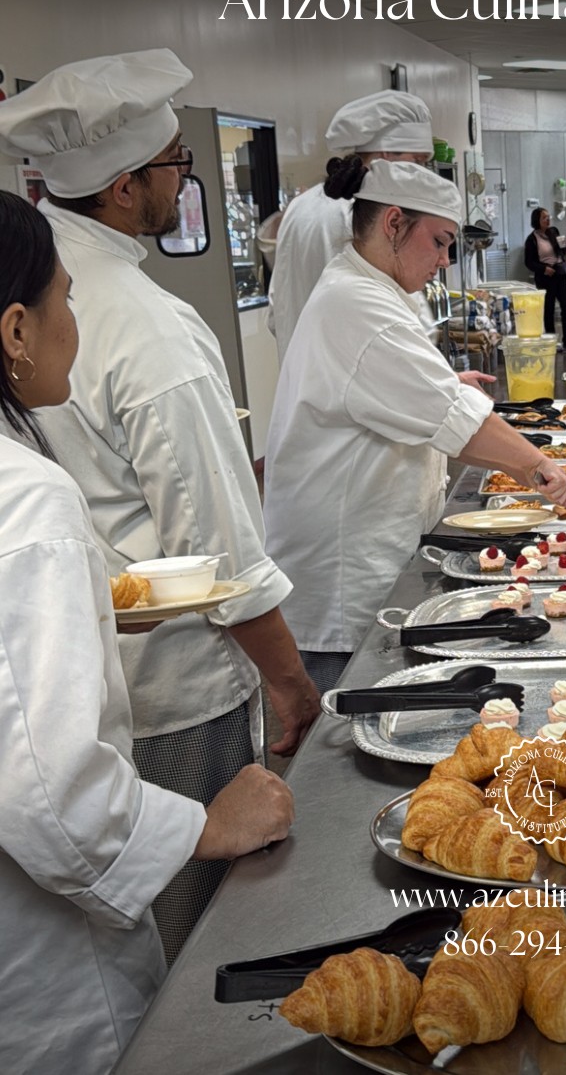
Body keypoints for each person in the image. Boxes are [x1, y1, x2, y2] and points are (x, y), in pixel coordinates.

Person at [0, 49, 319, 964]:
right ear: (127, 183)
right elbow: (220, 548)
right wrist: (294, 688)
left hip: (92, 702)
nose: (187, 184)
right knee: (199, 950)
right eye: (179, 164)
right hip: (173, 703)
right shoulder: (145, 323)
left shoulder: (49, 280)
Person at [263, 159, 566, 692]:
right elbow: (457, 423)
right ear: (392, 224)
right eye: (439, 241)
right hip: (346, 581)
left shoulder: (368, 288)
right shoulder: (359, 303)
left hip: (359, 553)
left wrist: (443, 380)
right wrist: (539, 465)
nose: (445, 260)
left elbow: (384, 385)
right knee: (345, 739)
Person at [268, 89, 434, 363]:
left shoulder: (299, 207)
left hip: (301, 385)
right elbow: (410, 325)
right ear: (387, 154)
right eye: (417, 161)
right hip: (361, 391)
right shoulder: (375, 218)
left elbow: (276, 311)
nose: (422, 174)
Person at [524, 207, 566, 352]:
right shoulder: (532, 239)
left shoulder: (553, 232)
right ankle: (551, 341)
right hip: (546, 276)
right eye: (544, 218)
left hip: (559, 273)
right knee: (548, 310)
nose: (548, 220)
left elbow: (561, 252)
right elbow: (529, 262)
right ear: (537, 220)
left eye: (549, 217)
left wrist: (564, 246)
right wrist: (543, 269)